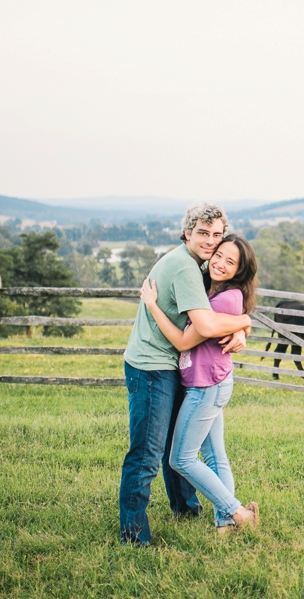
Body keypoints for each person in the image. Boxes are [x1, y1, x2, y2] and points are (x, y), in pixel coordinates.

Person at [119, 204, 251, 546]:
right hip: (153, 366)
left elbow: (225, 309)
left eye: (216, 235)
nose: (211, 243)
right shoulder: (186, 268)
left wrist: (242, 326)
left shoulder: (202, 266)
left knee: (180, 452)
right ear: (187, 233)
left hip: (188, 372)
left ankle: (192, 510)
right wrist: (245, 322)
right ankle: (134, 537)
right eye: (203, 234)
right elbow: (207, 325)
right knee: (149, 452)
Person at [140, 234, 259, 533]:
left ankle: (238, 513)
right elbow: (238, 319)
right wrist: (245, 324)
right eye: (218, 254)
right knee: (216, 456)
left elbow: (184, 341)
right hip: (211, 382)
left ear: (240, 271)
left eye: (230, 262)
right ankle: (225, 523)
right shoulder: (212, 290)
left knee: (181, 459)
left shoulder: (227, 298)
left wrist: (153, 306)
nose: (219, 263)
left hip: (207, 387)